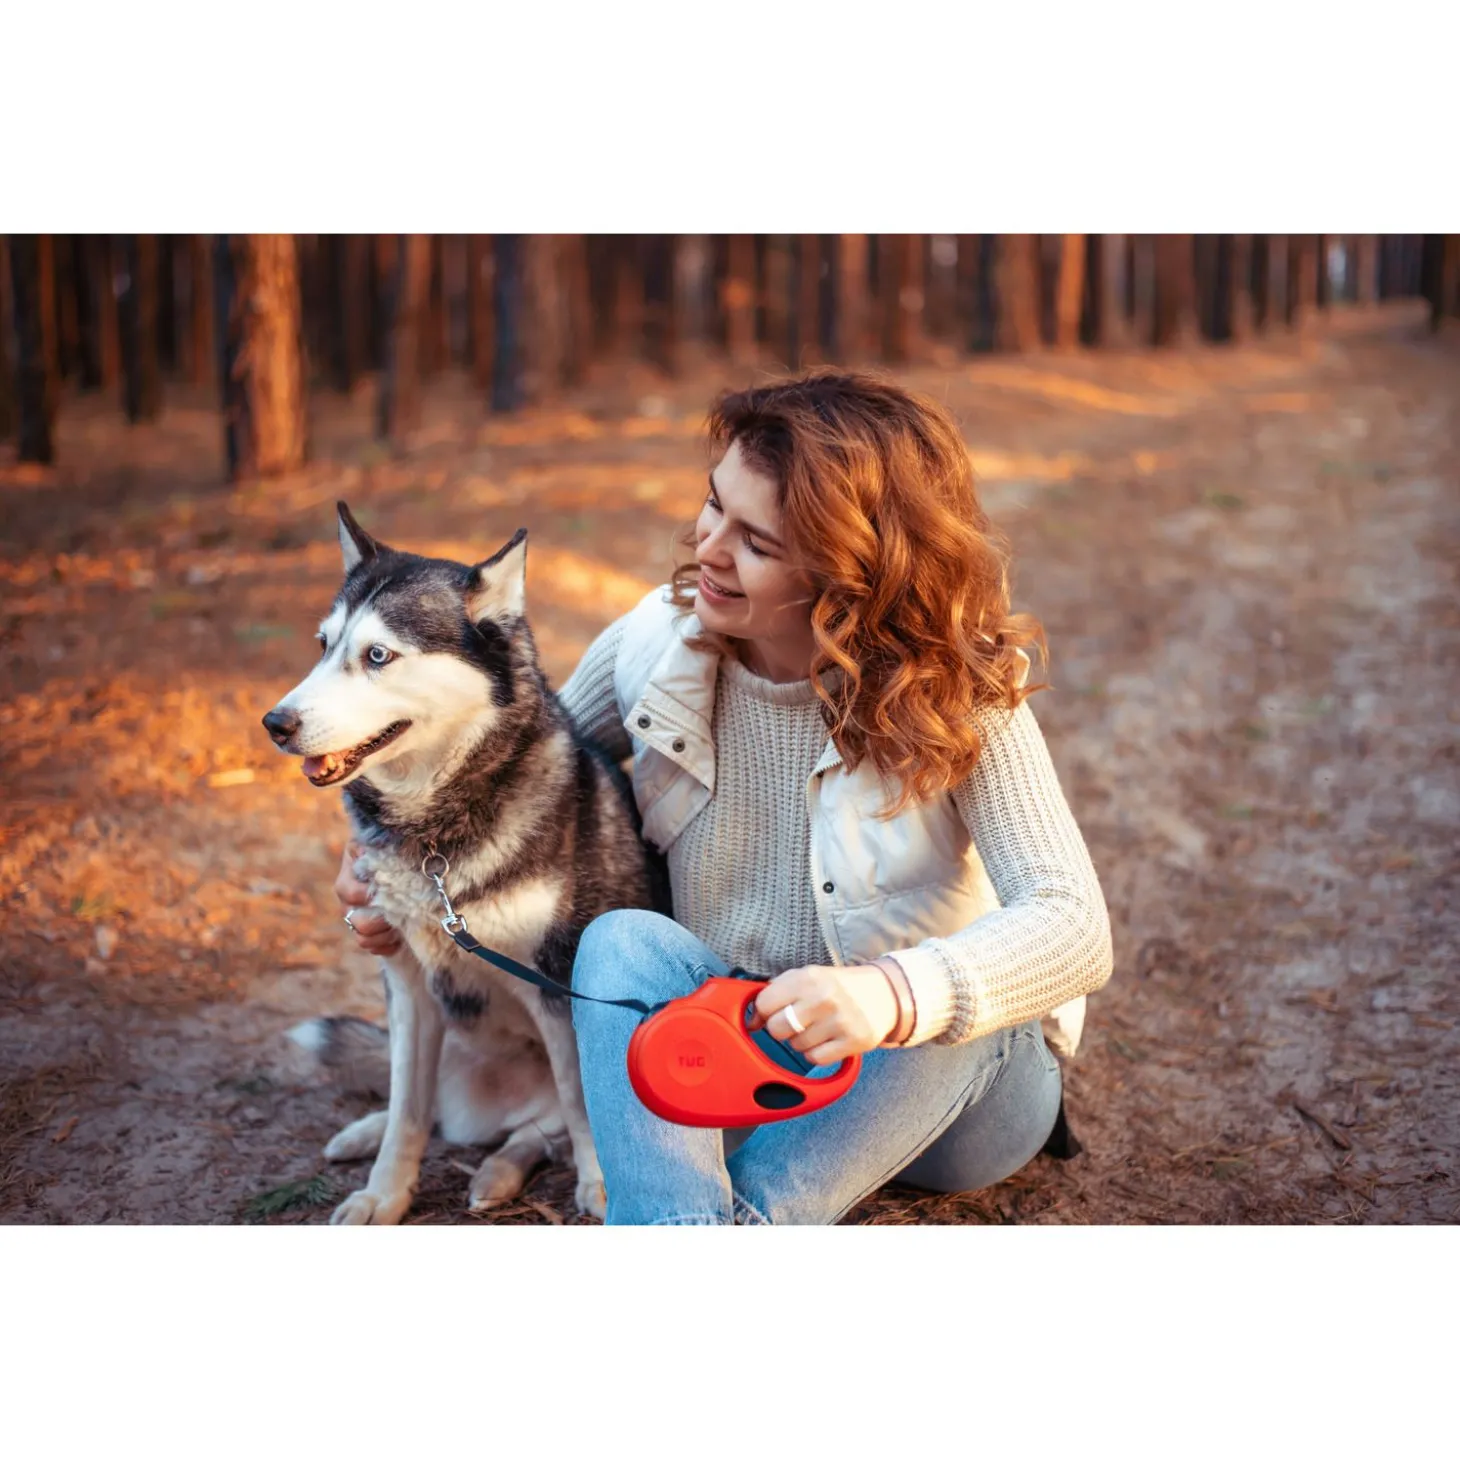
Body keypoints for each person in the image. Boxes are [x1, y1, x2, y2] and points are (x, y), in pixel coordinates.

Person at [335, 369, 1114, 1225]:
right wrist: (387, 868)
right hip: (728, 1052)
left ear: (853, 572)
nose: (708, 547)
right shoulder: (652, 646)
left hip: (937, 1094)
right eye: (715, 505)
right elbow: (512, 780)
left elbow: (1073, 922)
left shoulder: (956, 693)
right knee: (621, 944)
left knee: (954, 1002)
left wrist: (891, 994)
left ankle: (738, 1224)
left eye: (757, 543)